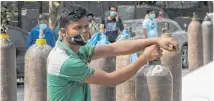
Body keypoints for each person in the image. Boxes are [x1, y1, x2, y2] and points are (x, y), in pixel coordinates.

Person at [47, 5, 178, 101]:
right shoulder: (65, 61)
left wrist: (156, 40)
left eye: (86, 26)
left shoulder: (76, 49)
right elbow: (112, 79)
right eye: (78, 28)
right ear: (63, 32)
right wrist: (145, 58)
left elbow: (114, 48)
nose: (84, 31)